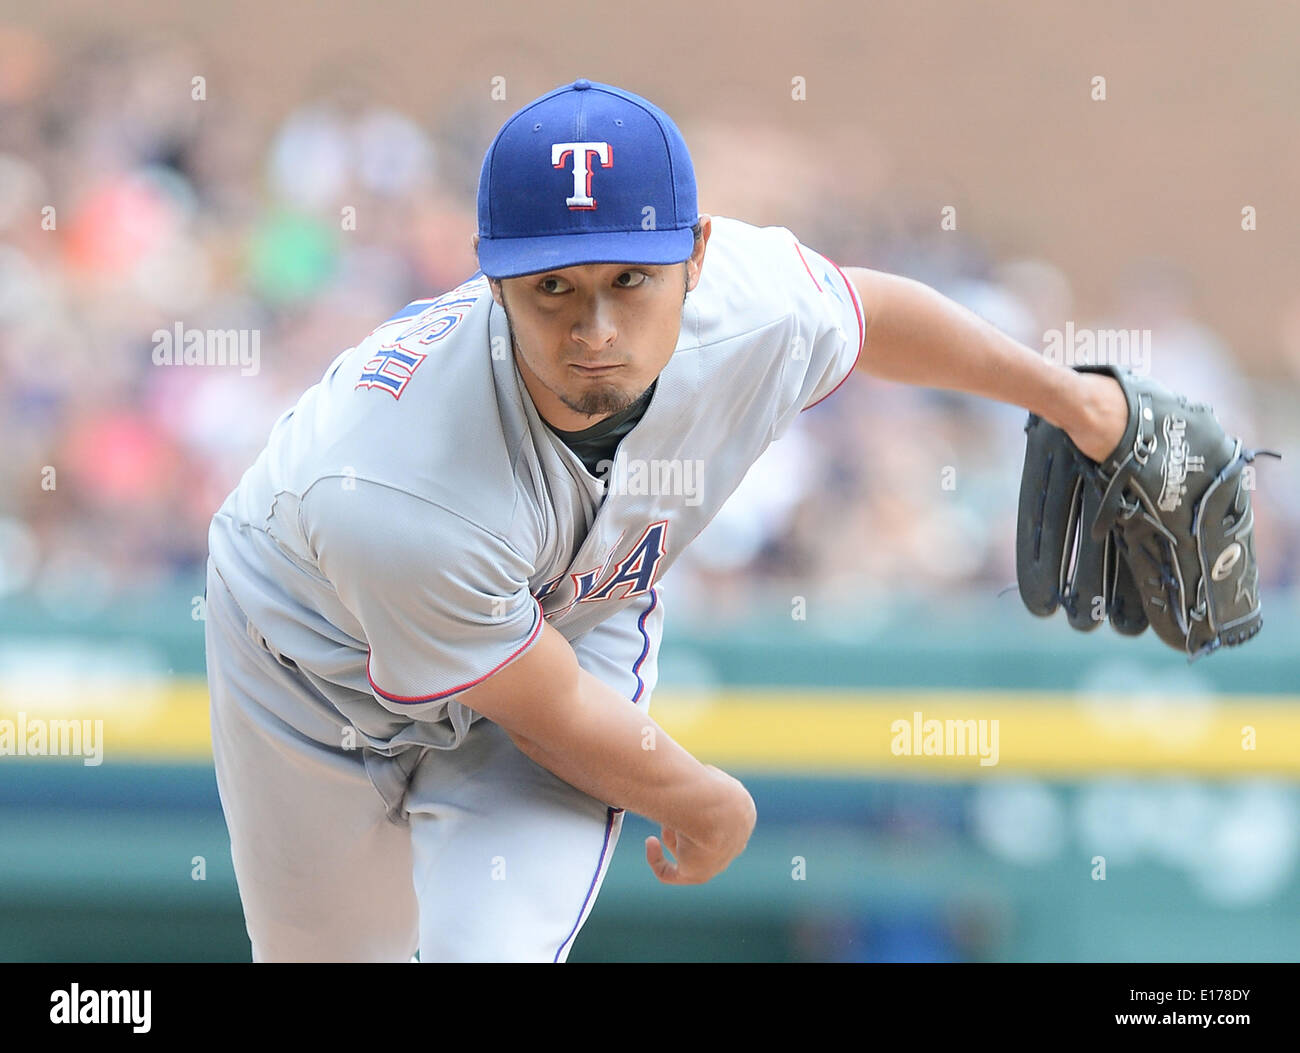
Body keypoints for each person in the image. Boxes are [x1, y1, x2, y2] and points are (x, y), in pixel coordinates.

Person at [204, 78, 1128, 962]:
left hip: (566, 619)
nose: (596, 325)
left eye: (629, 279)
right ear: (492, 284)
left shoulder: (751, 300)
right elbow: (544, 710)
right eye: (553, 286)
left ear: (696, 255)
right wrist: (704, 796)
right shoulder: (398, 483)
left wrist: (1073, 401)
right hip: (306, 660)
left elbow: (871, 311)